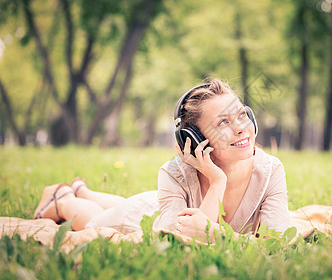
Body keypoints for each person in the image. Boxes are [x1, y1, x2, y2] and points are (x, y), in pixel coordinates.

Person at [33, 78, 290, 240]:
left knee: (131, 203)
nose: (241, 128)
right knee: (94, 223)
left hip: (159, 204)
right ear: (194, 138)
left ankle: (82, 190)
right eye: (223, 122)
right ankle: (64, 200)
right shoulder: (174, 174)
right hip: (146, 215)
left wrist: (219, 235)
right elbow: (180, 238)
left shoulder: (270, 170)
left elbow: (276, 242)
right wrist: (217, 181)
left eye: (242, 115)